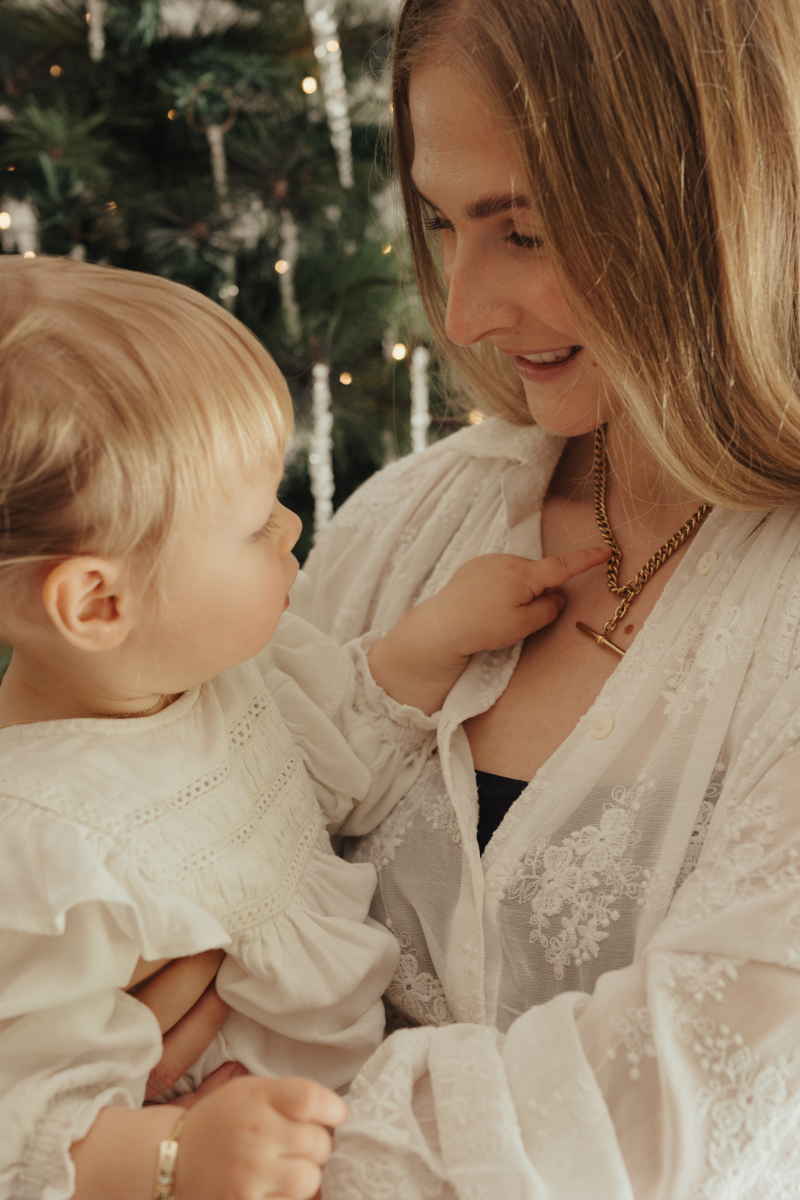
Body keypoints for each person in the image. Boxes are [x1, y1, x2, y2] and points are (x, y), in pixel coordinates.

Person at [134, 0, 800, 1194]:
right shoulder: (409, 522)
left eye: (526, 232)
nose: (462, 312)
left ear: (723, 206)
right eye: (441, 224)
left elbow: (676, 1121)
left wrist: (200, 1142)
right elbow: (169, 858)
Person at [0, 255, 610, 1200]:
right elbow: (25, 1118)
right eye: (253, 527)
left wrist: (437, 636)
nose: (291, 531)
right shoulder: (45, 851)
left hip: (353, 1123)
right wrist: (172, 1156)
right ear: (98, 603)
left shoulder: (225, 677)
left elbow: (337, 761)